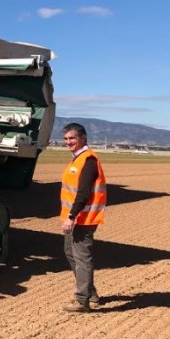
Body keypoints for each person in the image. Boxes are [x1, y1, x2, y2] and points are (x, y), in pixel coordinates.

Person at [60, 122, 106, 313]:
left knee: (81, 257)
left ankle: (82, 301)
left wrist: (71, 216)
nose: (68, 142)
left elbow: (84, 192)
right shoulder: (77, 159)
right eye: (66, 139)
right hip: (75, 218)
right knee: (71, 253)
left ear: (83, 138)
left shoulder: (88, 160)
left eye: (72, 138)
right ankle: (90, 293)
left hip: (83, 218)